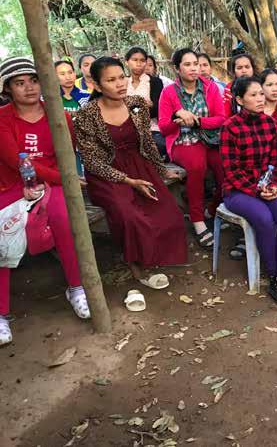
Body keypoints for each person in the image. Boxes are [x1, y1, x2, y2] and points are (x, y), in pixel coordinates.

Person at [75, 57, 187, 290]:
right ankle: (137, 266)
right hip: (108, 173)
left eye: (121, 77)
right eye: (111, 80)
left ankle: (155, 255)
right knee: (130, 216)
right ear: (97, 85)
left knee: (168, 212)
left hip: (140, 165)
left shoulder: (136, 104)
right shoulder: (86, 115)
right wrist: (128, 181)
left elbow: (147, 142)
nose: (120, 84)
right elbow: (92, 161)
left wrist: (161, 169)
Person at [0, 57, 90, 345]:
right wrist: (64, 178)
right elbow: (14, 160)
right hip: (11, 184)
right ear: (8, 88)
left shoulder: (58, 115)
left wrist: (57, 179)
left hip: (52, 183)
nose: (28, 87)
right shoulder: (2, 118)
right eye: (19, 83)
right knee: (4, 232)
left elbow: (67, 152)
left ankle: (76, 287)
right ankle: (1, 313)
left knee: (64, 219)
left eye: (33, 80)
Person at [221, 76, 277, 308]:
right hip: (238, 190)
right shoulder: (230, 127)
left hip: (267, 186)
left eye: (261, 94)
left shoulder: (269, 124)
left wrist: (273, 185)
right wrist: (257, 190)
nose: (260, 99)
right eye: (253, 95)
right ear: (239, 99)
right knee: (264, 218)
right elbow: (231, 171)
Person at [159, 48, 226, 248]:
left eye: (195, 64)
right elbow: (163, 127)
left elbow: (221, 118)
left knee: (225, 168)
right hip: (183, 140)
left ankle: (212, 209)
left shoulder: (210, 88)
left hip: (210, 139)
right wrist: (177, 118)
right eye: (187, 64)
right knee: (197, 166)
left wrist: (197, 121)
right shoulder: (169, 92)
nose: (193, 68)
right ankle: (197, 220)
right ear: (177, 68)